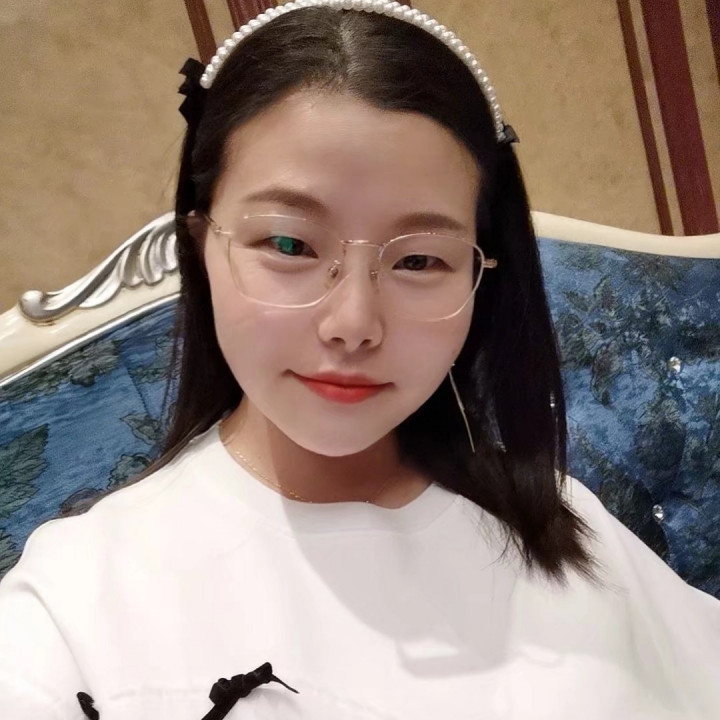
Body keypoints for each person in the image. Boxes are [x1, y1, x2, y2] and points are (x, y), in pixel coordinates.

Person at [1, 1, 718, 718]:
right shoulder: (74, 607)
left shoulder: (558, 519)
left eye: (419, 260)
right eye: (289, 245)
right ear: (200, 245)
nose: (353, 324)